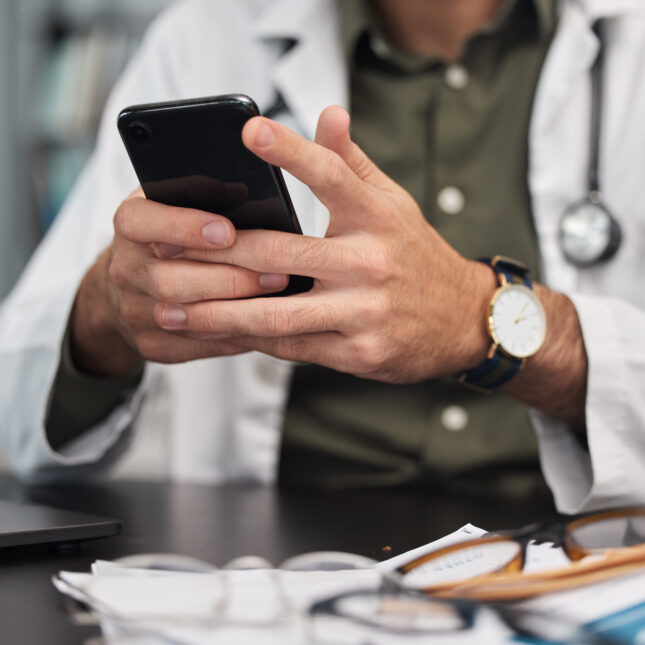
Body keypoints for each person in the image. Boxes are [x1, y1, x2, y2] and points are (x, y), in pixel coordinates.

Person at [0, 0, 643, 513]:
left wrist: (481, 319)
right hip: (277, 570)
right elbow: (16, 416)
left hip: (571, 555)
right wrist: (105, 313)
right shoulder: (206, 34)